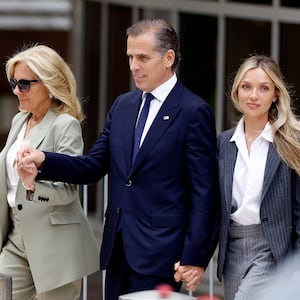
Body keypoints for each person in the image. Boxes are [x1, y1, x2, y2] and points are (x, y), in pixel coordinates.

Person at [16, 19, 218, 300]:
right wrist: (44, 161)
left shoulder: (194, 111)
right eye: (131, 57)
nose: (134, 65)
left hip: (163, 253)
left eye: (142, 58)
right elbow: (93, 166)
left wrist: (195, 257)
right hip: (118, 249)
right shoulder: (123, 105)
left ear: (168, 58)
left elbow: (204, 193)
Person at [178, 54, 300, 299]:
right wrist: (196, 259)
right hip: (232, 251)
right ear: (236, 92)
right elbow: (213, 210)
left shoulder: (290, 145)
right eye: (247, 87)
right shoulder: (223, 144)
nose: (253, 95)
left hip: (272, 250)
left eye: (263, 88)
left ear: (275, 94)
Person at [0, 44, 99, 300]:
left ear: (49, 83)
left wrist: (33, 186)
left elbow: (67, 190)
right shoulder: (20, 120)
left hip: (56, 242)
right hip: (17, 236)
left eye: (24, 84)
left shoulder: (65, 125)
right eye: (13, 83)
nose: (16, 91)